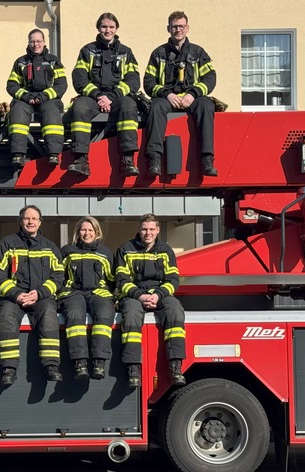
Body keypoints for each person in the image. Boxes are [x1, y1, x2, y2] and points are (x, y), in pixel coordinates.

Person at [0, 205, 64, 386]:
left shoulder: (50, 247)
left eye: (34, 218)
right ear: (20, 221)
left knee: (49, 314)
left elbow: (58, 276)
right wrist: (16, 294)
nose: (30, 221)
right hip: (13, 298)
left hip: (41, 297)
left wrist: (39, 293)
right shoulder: (7, 244)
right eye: (26, 218)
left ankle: (51, 366)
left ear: (40, 222)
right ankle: (9, 369)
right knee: (6, 316)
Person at [115, 213, 186, 388]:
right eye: (145, 229)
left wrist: (157, 295)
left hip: (159, 294)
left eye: (152, 229)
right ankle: (133, 369)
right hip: (134, 295)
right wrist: (141, 296)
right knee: (131, 315)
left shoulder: (166, 250)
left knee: (175, 309)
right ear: (139, 230)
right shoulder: (125, 249)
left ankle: (176, 367)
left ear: (158, 230)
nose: (148, 233)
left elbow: (173, 280)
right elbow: (122, 281)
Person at [143, 11, 218, 177]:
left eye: (181, 26)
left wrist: (193, 94)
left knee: (206, 105)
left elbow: (210, 78)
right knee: (155, 107)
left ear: (187, 28)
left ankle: (207, 159)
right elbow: (148, 83)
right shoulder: (158, 53)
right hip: (167, 99)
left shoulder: (198, 53)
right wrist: (167, 94)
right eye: (174, 26)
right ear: (168, 28)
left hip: (193, 98)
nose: (178, 30)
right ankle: (154, 158)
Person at [68, 12, 141, 178]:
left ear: (116, 29)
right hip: (93, 98)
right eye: (104, 27)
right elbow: (79, 78)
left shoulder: (126, 52)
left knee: (129, 106)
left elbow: (133, 80)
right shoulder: (87, 50)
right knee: (79, 108)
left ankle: (128, 159)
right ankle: (80, 160)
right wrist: (98, 96)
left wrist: (112, 97)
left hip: (117, 98)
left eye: (111, 27)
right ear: (98, 28)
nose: (107, 30)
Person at [58, 216, 116, 381]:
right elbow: (58, 275)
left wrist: (108, 293)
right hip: (73, 293)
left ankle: (99, 363)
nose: (87, 233)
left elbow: (112, 278)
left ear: (97, 232)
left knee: (105, 314)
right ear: (78, 232)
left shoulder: (105, 252)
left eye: (90, 230)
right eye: (83, 229)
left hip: (99, 293)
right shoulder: (67, 251)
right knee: (75, 315)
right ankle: (80, 364)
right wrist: (64, 292)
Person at [6, 29, 68, 170]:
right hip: (26, 99)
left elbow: (61, 85)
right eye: (32, 41)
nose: (36, 44)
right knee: (18, 111)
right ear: (28, 43)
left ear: (44, 42)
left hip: (48, 99)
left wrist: (44, 96)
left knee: (51, 111)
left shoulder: (53, 61)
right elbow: (12, 85)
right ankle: (18, 154)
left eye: (39, 41)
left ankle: (53, 153)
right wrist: (27, 97)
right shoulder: (20, 62)